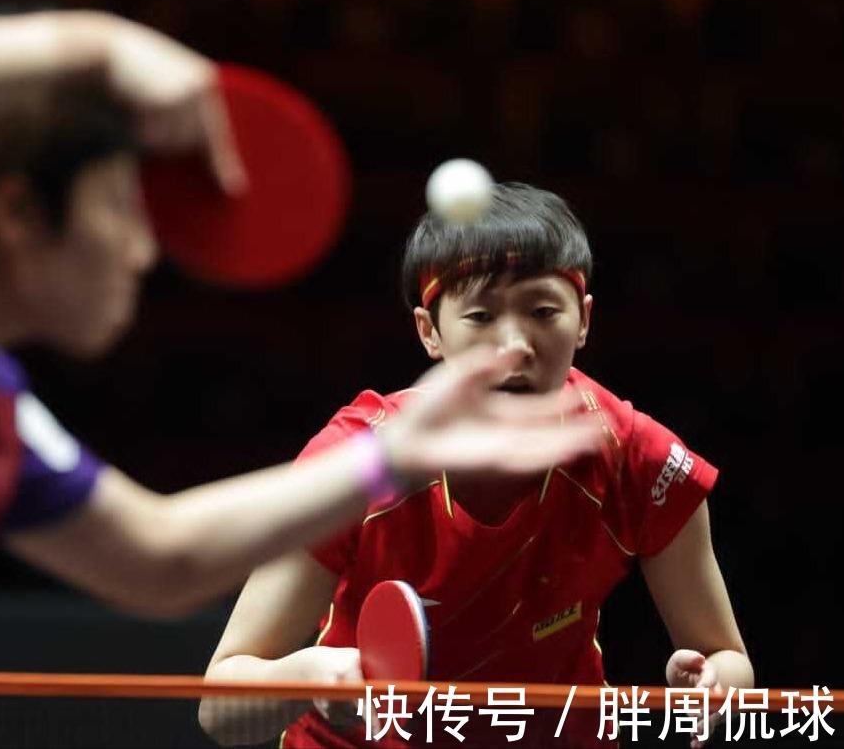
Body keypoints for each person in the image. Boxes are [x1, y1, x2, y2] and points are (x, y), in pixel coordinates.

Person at [0, 13, 602, 748]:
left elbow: (160, 558)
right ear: (18, 213)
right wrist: (94, 51)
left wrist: (395, 454)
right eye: (122, 210)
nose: (144, 251)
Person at [200, 183, 753, 748]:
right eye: (481, 315)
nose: (515, 344)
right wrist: (306, 676)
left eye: (543, 311)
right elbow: (220, 709)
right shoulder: (356, 462)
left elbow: (728, 659)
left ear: (583, 320)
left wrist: (714, 685)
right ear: (430, 331)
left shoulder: (633, 457)